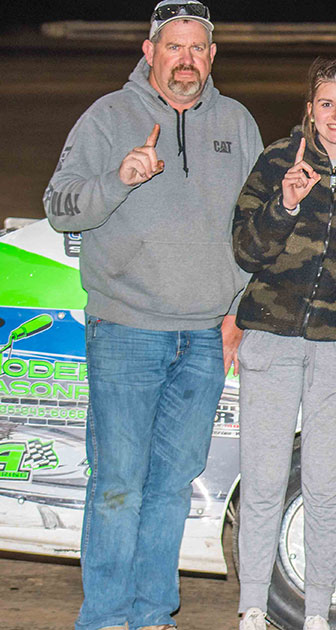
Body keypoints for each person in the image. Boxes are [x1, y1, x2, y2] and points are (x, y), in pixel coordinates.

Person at [41, 2, 262, 629]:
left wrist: (238, 311)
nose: (185, 60)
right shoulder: (108, 116)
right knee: (118, 483)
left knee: (171, 485)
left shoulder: (237, 122)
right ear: (149, 52)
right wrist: (119, 179)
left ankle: (152, 614)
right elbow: (59, 206)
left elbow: (256, 228)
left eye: (196, 48)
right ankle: (106, 617)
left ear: (211, 56)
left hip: (204, 338)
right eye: (173, 47)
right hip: (127, 331)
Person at [230, 57, 336, 630]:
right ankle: (253, 608)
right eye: (327, 103)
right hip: (271, 342)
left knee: (327, 488)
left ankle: (318, 615)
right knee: (262, 483)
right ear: (310, 108)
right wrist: (285, 205)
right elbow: (246, 250)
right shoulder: (279, 159)